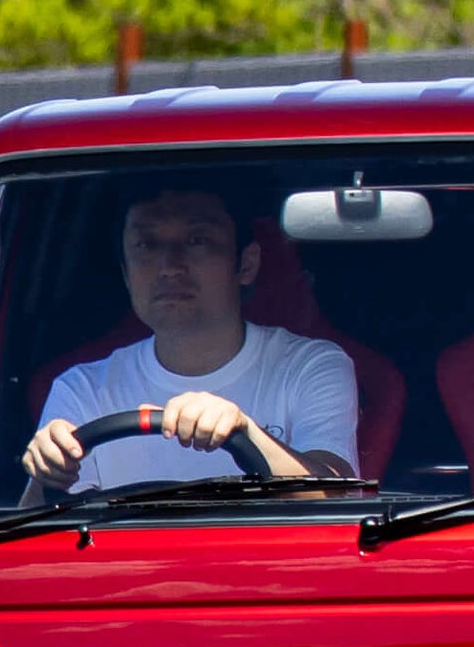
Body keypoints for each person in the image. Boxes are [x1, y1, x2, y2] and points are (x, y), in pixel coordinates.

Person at [25, 181, 356, 489]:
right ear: (126, 274)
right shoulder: (81, 390)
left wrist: (246, 432)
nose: (169, 266)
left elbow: (336, 497)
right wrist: (47, 473)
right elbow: (35, 539)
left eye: (197, 241)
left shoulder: (310, 366)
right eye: (147, 245)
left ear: (246, 263)